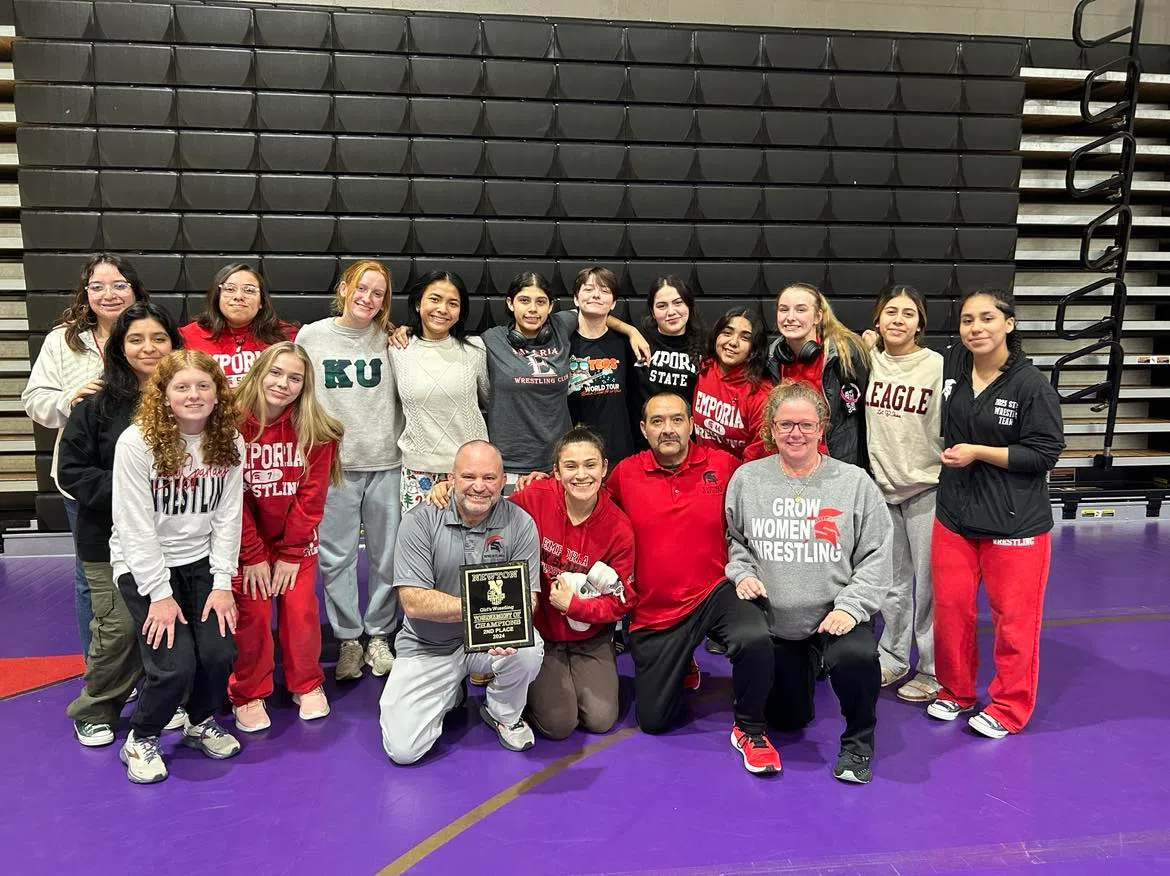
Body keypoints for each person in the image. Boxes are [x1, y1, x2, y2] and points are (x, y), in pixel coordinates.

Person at [725, 381, 892, 784]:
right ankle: (806, 671)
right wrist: (742, 572)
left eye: (805, 424)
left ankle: (858, 744)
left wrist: (851, 608)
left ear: (822, 427)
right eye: (785, 425)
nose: (795, 433)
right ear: (770, 428)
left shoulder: (854, 483)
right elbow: (735, 541)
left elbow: (876, 556)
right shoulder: (748, 479)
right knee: (788, 719)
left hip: (836, 616)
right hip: (779, 624)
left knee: (855, 658)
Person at [606, 393, 778, 776]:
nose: (668, 429)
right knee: (653, 721)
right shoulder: (625, 473)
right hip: (656, 610)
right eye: (657, 421)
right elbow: (587, 505)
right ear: (643, 429)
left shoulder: (723, 465)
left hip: (715, 591)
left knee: (754, 637)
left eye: (676, 419)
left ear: (691, 424)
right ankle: (682, 658)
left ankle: (751, 729)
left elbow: (769, 482)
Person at [927, 288, 1065, 739]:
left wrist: (979, 452)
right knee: (950, 611)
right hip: (954, 516)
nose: (976, 328)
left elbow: (1045, 454)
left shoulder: (1031, 386)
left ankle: (1009, 706)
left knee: (1015, 620)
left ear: (1009, 323)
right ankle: (955, 691)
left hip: (1014, 522)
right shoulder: (954, 366)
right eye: (968, 320)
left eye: (987, 318)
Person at [110, 350, 245, 784]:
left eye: (203, 385)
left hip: (201, 562)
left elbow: (228, 517)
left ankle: (199, 720)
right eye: (182, 387)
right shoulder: (137, 443)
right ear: (164, 395)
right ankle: (142, 737)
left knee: (221, 651)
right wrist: (159, 594)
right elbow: (133, 526)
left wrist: (222, 581)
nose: (194, 395)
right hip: (144, 565)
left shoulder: (229, 441)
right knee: (174, 665)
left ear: (217, 392)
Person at [58, 302, 185, 746]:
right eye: (136, 339)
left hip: (178, 539)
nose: (148, 348)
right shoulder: (94, 405)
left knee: (167, 625)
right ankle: (96, 705)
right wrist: (134, 491)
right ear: (119, 347)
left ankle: (158, 700)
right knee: (119, 628)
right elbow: (72, 472)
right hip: (110, 540)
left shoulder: (191, 399)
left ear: (174, 343)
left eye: (159, 338)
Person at [378, 441, 544, 764]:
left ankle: (502, 712)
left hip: (489, 644)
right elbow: (412, 601)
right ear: (451, 478)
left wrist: (508, 627)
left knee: (528, 648)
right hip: (429, 645)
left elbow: (530, 599)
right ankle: (449, 692)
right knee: (403, 750)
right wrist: (486, 614)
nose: (479, 487)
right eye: (469, 476)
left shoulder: (521, 523)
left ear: (502, 480)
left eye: (489, 478)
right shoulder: (420, 520)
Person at [22, 253, 148, 656]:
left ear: (134, 289)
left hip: (150, 476)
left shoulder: (153, 332)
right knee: (90, 574)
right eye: (97, 286)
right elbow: (34, 400)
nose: (108, 294)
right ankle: (100, 665)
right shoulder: (63, 339)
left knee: (150, 569)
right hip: (86, 477)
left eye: (118, 285)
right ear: (85, 293)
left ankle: (152, 664)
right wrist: (67, 398)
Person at [296, 260, 405, 682]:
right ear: (344, 288)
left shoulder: (391, 339)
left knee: (387, 556)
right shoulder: (313, 336)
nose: (368, 299)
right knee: (336, 557)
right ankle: (348, 638)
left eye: (378, 293)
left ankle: (379, 634)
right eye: (362, 289)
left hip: (386, 463)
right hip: (335, 466)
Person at [228, 342, 343, 732]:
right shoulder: (228, 424)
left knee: (300, 611)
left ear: (305, 385)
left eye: (295, 378)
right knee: (254, 614)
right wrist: (253, 553)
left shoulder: (318, 430)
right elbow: (229, 499)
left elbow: (312, 498)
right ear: (259, 371)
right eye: (275, 373)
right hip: (247, 543)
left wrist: (292, 553)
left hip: (295, 543)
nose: (283, 383)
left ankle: (306, 683)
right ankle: (249, 690)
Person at [509, 426, 636, 739]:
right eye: (571, 466)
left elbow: (623, 600)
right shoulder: (533, 499)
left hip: (589, 637)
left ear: (605, 467)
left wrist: (576, 607)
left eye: (591, 465)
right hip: (542, 634)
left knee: (601, 720)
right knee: (558, 726)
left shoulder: (618, 528)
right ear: (555, 472)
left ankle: (576, 669)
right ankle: (533, 686)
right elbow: (490, 511)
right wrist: (448, 492)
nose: (582, 475)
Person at [480, 271, 648, 482]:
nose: (532, 309)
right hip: (510, 464)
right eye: (524, 301)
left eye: (540, 302)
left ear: (550, 307)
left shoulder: (561, 326)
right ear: (510, 303)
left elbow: (594, 310)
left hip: (558, 461)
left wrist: (631, 330)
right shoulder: (491, 340)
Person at [861, 285, 944, 702]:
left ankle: (932, 669)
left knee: (929, 585)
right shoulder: (868, 359)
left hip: (927, 488)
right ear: (877, 319)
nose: (898, 319)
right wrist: (865, 343)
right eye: (890, 311)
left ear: (920, 323)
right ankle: (893, 655)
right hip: (883, 488)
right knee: (892, 584)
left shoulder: (936, 365)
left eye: (908, 313)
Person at [388, 270, 488, 511]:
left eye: (453, 303)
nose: (443, 309)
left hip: (471, 472)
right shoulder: (396, 349)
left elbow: (491, 401)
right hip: (418, 473)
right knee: (421, 546)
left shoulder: (475, 349)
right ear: (418, 303)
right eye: (434, 299)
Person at [767, 282, 871, 468]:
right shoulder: (774, 356)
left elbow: (865, 415)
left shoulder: (845, 352)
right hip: (793, 458)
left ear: (817, 317)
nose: (790, 317)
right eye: (784, 310)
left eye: (801, 310)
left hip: (836, 462)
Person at [179, 262, 297, 386]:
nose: (239, 296)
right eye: (230, 289)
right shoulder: (187, 336)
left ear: (262, 301)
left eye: (249, 290)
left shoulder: (287, 336)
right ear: (217, 297)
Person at [566, 267, 639, 466]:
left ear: (613, 303)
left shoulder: (626, 342)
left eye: (604, 291)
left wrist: (631, 331)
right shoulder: (561, 342)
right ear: (575, 298)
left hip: (619, 451)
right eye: (588, 289)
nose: (596, 295)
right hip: (575, 452)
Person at [692, 307, 773, 462]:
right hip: (699, 471)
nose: (733, 342)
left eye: (745, 338)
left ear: (754, 347)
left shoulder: (761, 395)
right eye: (727, 333)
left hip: (737, 478)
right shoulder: (703, 369)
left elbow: (757, 458)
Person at [634, 275, 705, 408]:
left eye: (678, 303)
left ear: (689, 305)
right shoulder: (639, 339)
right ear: (653, 312)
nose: (671, 312)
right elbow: (600, 318)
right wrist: (629, 330)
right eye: (662, 306)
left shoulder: (705, 344)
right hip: (644, 426)